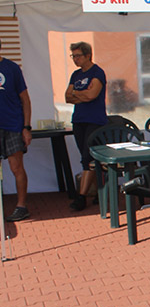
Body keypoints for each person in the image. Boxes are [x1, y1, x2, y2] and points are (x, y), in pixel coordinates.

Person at [65, 41, 107, 211]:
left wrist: (77, 93)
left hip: (94, 120)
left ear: (88, 55)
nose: (75, 59)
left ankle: (81, 197)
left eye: (78, 56)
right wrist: (79, 93)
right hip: (79, 120)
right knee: (88, 158)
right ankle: (98, 192)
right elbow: (67, 97)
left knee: (87, 157)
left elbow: (92, 95)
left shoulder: (97, 72)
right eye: (73, 56)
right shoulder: (75, 74)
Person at [0, 39, 32, 221]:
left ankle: (21, 206)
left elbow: (25, 100)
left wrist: (26, 127)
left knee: (16, 167)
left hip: (12, 125)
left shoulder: (11, 68)